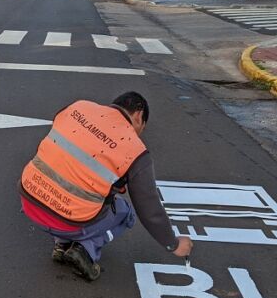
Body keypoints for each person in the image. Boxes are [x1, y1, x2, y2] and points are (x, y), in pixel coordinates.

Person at [18, 92, 193, 281]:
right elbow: (148, 207)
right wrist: (173, 244)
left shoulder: (78, 107)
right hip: (70, 222)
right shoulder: (134, 149)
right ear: (138, 115)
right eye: (142, 127)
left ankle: (61, 246)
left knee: (79, 186)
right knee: (125, 212)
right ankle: (85, 249)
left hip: (30, 201)